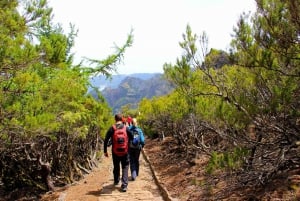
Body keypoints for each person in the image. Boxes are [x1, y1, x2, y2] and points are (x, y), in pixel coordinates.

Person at [103, 114, 132, 192]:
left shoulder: (112, 128)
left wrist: (105, 151)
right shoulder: (126, 128)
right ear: (122, 119)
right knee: (125, 166)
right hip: (125, 151)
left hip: (115, 152)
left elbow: (106, 139)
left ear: (115, 119)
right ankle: (124, 185)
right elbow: (132, 137)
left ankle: (116, 180)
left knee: (116, 166)